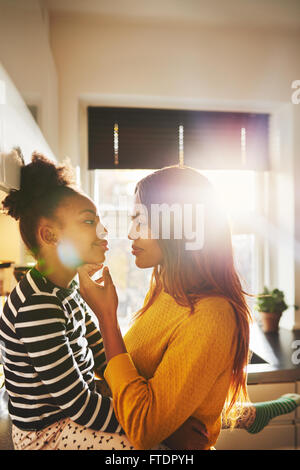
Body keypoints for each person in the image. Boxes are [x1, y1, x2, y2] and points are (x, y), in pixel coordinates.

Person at [0, 153, 206, 450]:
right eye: (88, 221)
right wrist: (162, 429)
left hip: (72, 419)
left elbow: (100, 355)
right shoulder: (37, 307)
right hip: (47, 435)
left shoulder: (65, 290)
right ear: (50, 235)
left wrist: (144, 404)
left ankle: (244, 416)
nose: (104, 231)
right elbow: (79, 406)